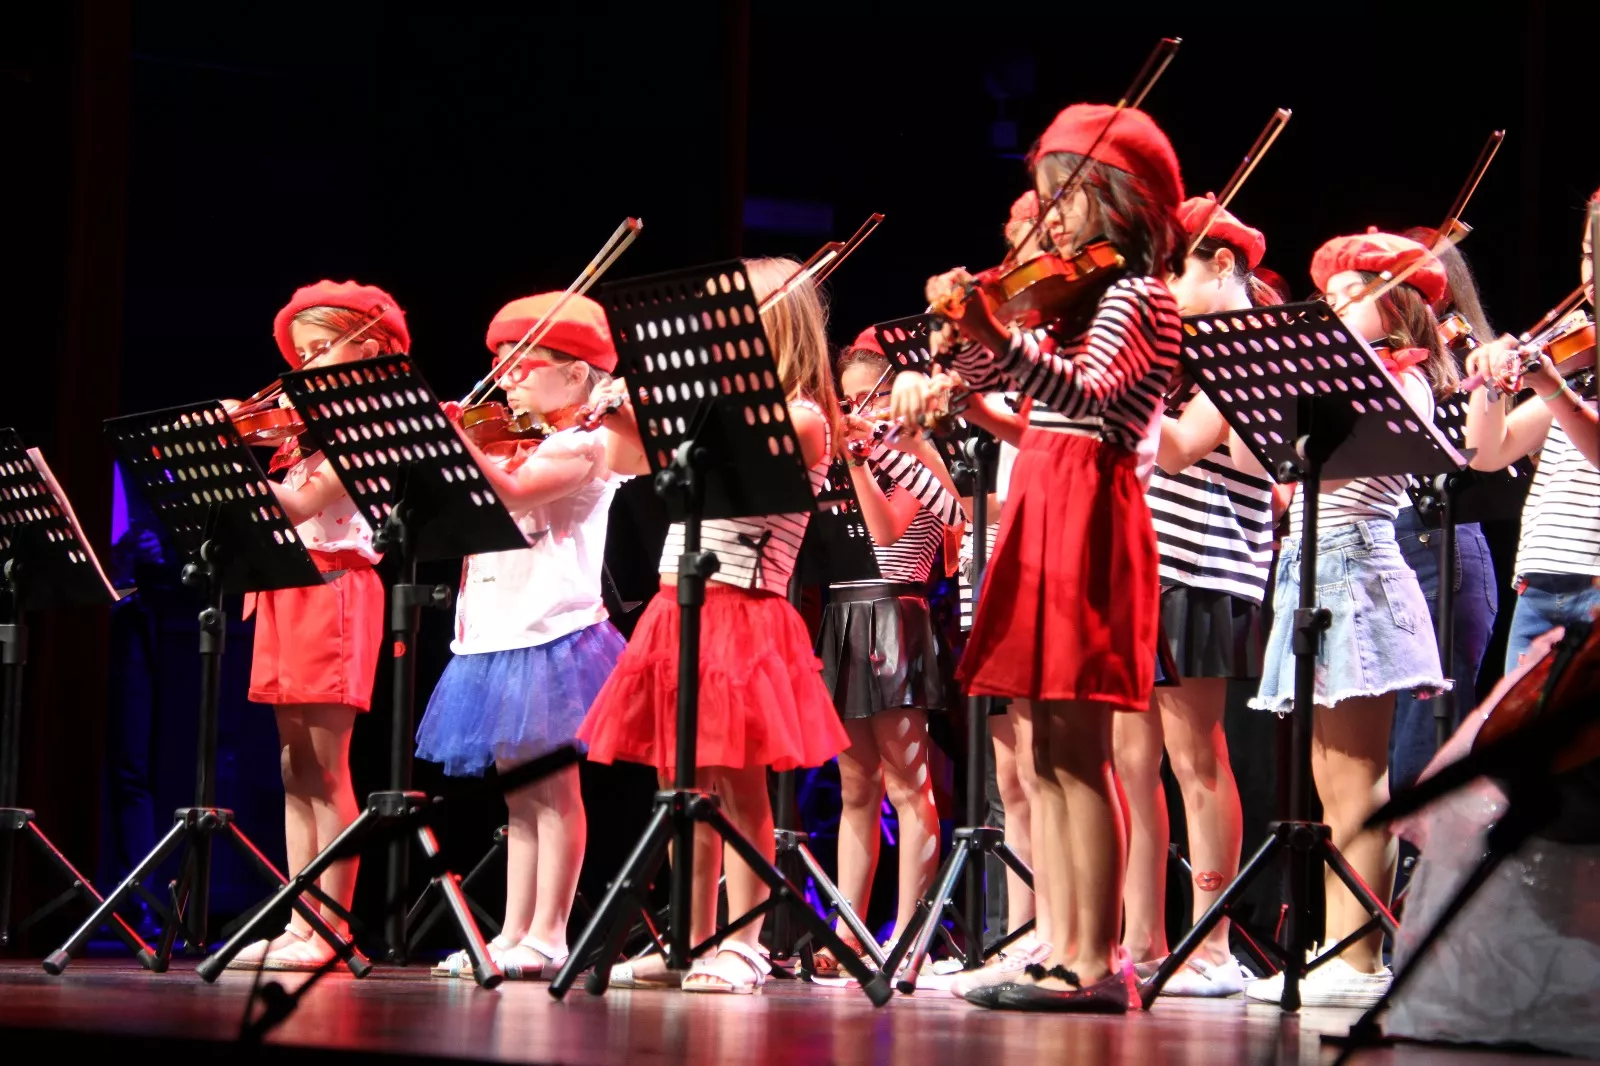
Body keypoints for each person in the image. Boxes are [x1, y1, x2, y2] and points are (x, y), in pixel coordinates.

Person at [893, 102, 1187, 1012]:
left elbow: (1092, 397)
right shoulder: (1072, 306)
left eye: (1064, 198)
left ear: (1114, 201)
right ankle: (1059, 943)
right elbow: (1014, 384)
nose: (1047, 218)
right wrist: (967, 350)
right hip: (1046, 498)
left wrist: (994, 334)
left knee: (1081, 746)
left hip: (1092, 506)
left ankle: (1098, 962)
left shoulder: (1139, 298)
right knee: (1051, 751)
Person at [578, 258, 851, 994]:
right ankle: (691, 940)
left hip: (745, 609)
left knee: (737, 788)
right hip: (678, 603)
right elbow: (631, 459)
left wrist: (672, 406)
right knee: (678, 783)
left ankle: (743, 943)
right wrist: (617, 410)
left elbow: (733, 458)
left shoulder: (800, 415)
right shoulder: (704, 411)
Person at [1243, 233, 1453, 1007]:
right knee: (1333, 787)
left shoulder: (1408, 383)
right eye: (1326, 296)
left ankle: (1360, 960)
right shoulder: (1331, 390)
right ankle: (1338, 948)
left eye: (1349, 295)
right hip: (1308, 572)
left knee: (1362, 778)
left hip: (1361, 572)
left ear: (1396, 302)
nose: (1329, 308)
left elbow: (1384, 437)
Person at [417, 293, 628, 980]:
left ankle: (551, 932)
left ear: (575, 374)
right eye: (499, 362)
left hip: (555, 632)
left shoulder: (587, 444)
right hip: (496, 632)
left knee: (553, 789)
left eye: (523, 362)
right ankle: (511, 932)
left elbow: (513, 494)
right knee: (517, 797)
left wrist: (457, 447)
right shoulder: (522, 438)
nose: (505, 376)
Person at [1115, 197, 1278, 997]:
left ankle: (1209, 945)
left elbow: (1179, 450)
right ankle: (1142, 938)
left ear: (1223, 265)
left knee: (1193, 755)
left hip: (1206, 566)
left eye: (1175, 269)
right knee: (1130, 758)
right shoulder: (1185, 352)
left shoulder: (1254, 349)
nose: (1164, 288)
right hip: (1145, 562)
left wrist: (1120, 387)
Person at [228, 280, 406, 970]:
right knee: (292, 763)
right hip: (286, 587)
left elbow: (300, 508)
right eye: (299, 354)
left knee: (328, 767)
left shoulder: (372, 424)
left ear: (372, 346)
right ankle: (302, 922)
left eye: (321, 349)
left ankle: (331, 929)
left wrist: (223, 459)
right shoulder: (306, 425)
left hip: (335, 587)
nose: (304, 367)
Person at [810, 333, 962, 979]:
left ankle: (910, 936)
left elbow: (886, 532)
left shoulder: (916, 452)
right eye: (842, 402)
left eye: (859, 400)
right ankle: (849, 932)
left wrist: (864, 462)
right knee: (854, 787)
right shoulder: (857, 453)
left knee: (908, 784)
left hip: (895, 612)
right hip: (843, 614)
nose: (850, 412)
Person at [1384, 229, 1500, 794]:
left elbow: (1483, 452)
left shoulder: (1458, 356)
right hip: (1393, 546)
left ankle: (1431, 878)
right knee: (1389, 752)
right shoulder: (1388, 359)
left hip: (1441, 547)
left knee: (1423, 750)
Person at [1463, 207, 1600, 673]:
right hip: (1540, 586)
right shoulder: (1582, 370)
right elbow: (1488, 453)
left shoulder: (1567, 383)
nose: (1592, 271)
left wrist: (1550, 385)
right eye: (1587, 255)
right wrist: (1489, 381)